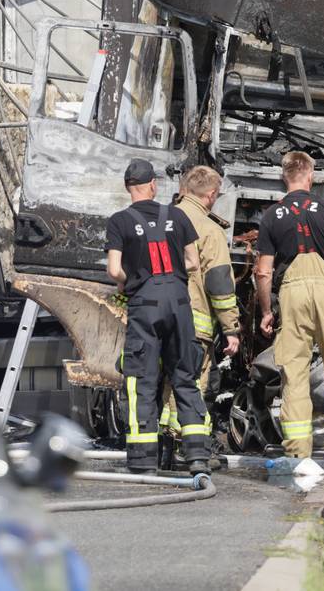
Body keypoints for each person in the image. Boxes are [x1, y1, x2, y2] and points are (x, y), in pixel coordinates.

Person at [253, 151, 324, 470]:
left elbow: (263, 272)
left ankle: (297, 454)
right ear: (311, 175)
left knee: (295, 373)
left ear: (284, 176)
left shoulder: (272, 216)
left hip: (292, 292)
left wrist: (266, 310)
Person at [106, 159, 211, 475]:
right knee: (185, 377)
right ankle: (197, 457)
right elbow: (193, 261)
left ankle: (142, 460)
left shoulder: (119, 221)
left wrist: (131, 280)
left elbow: (113, 270)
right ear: (153, 185)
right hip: (179, 304)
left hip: (145, 305)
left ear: (128, 188)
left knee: (142, 380)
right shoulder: (177, 216)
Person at [160, 166, 241, 455]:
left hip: (153, 320)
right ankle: (192, 448)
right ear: (210, 195)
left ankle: (163, 444)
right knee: (194, 383)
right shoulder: (209, 229)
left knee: (163, 381)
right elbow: (219, 283)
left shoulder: (159, 219)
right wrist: (231, 328)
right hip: (193, 324)